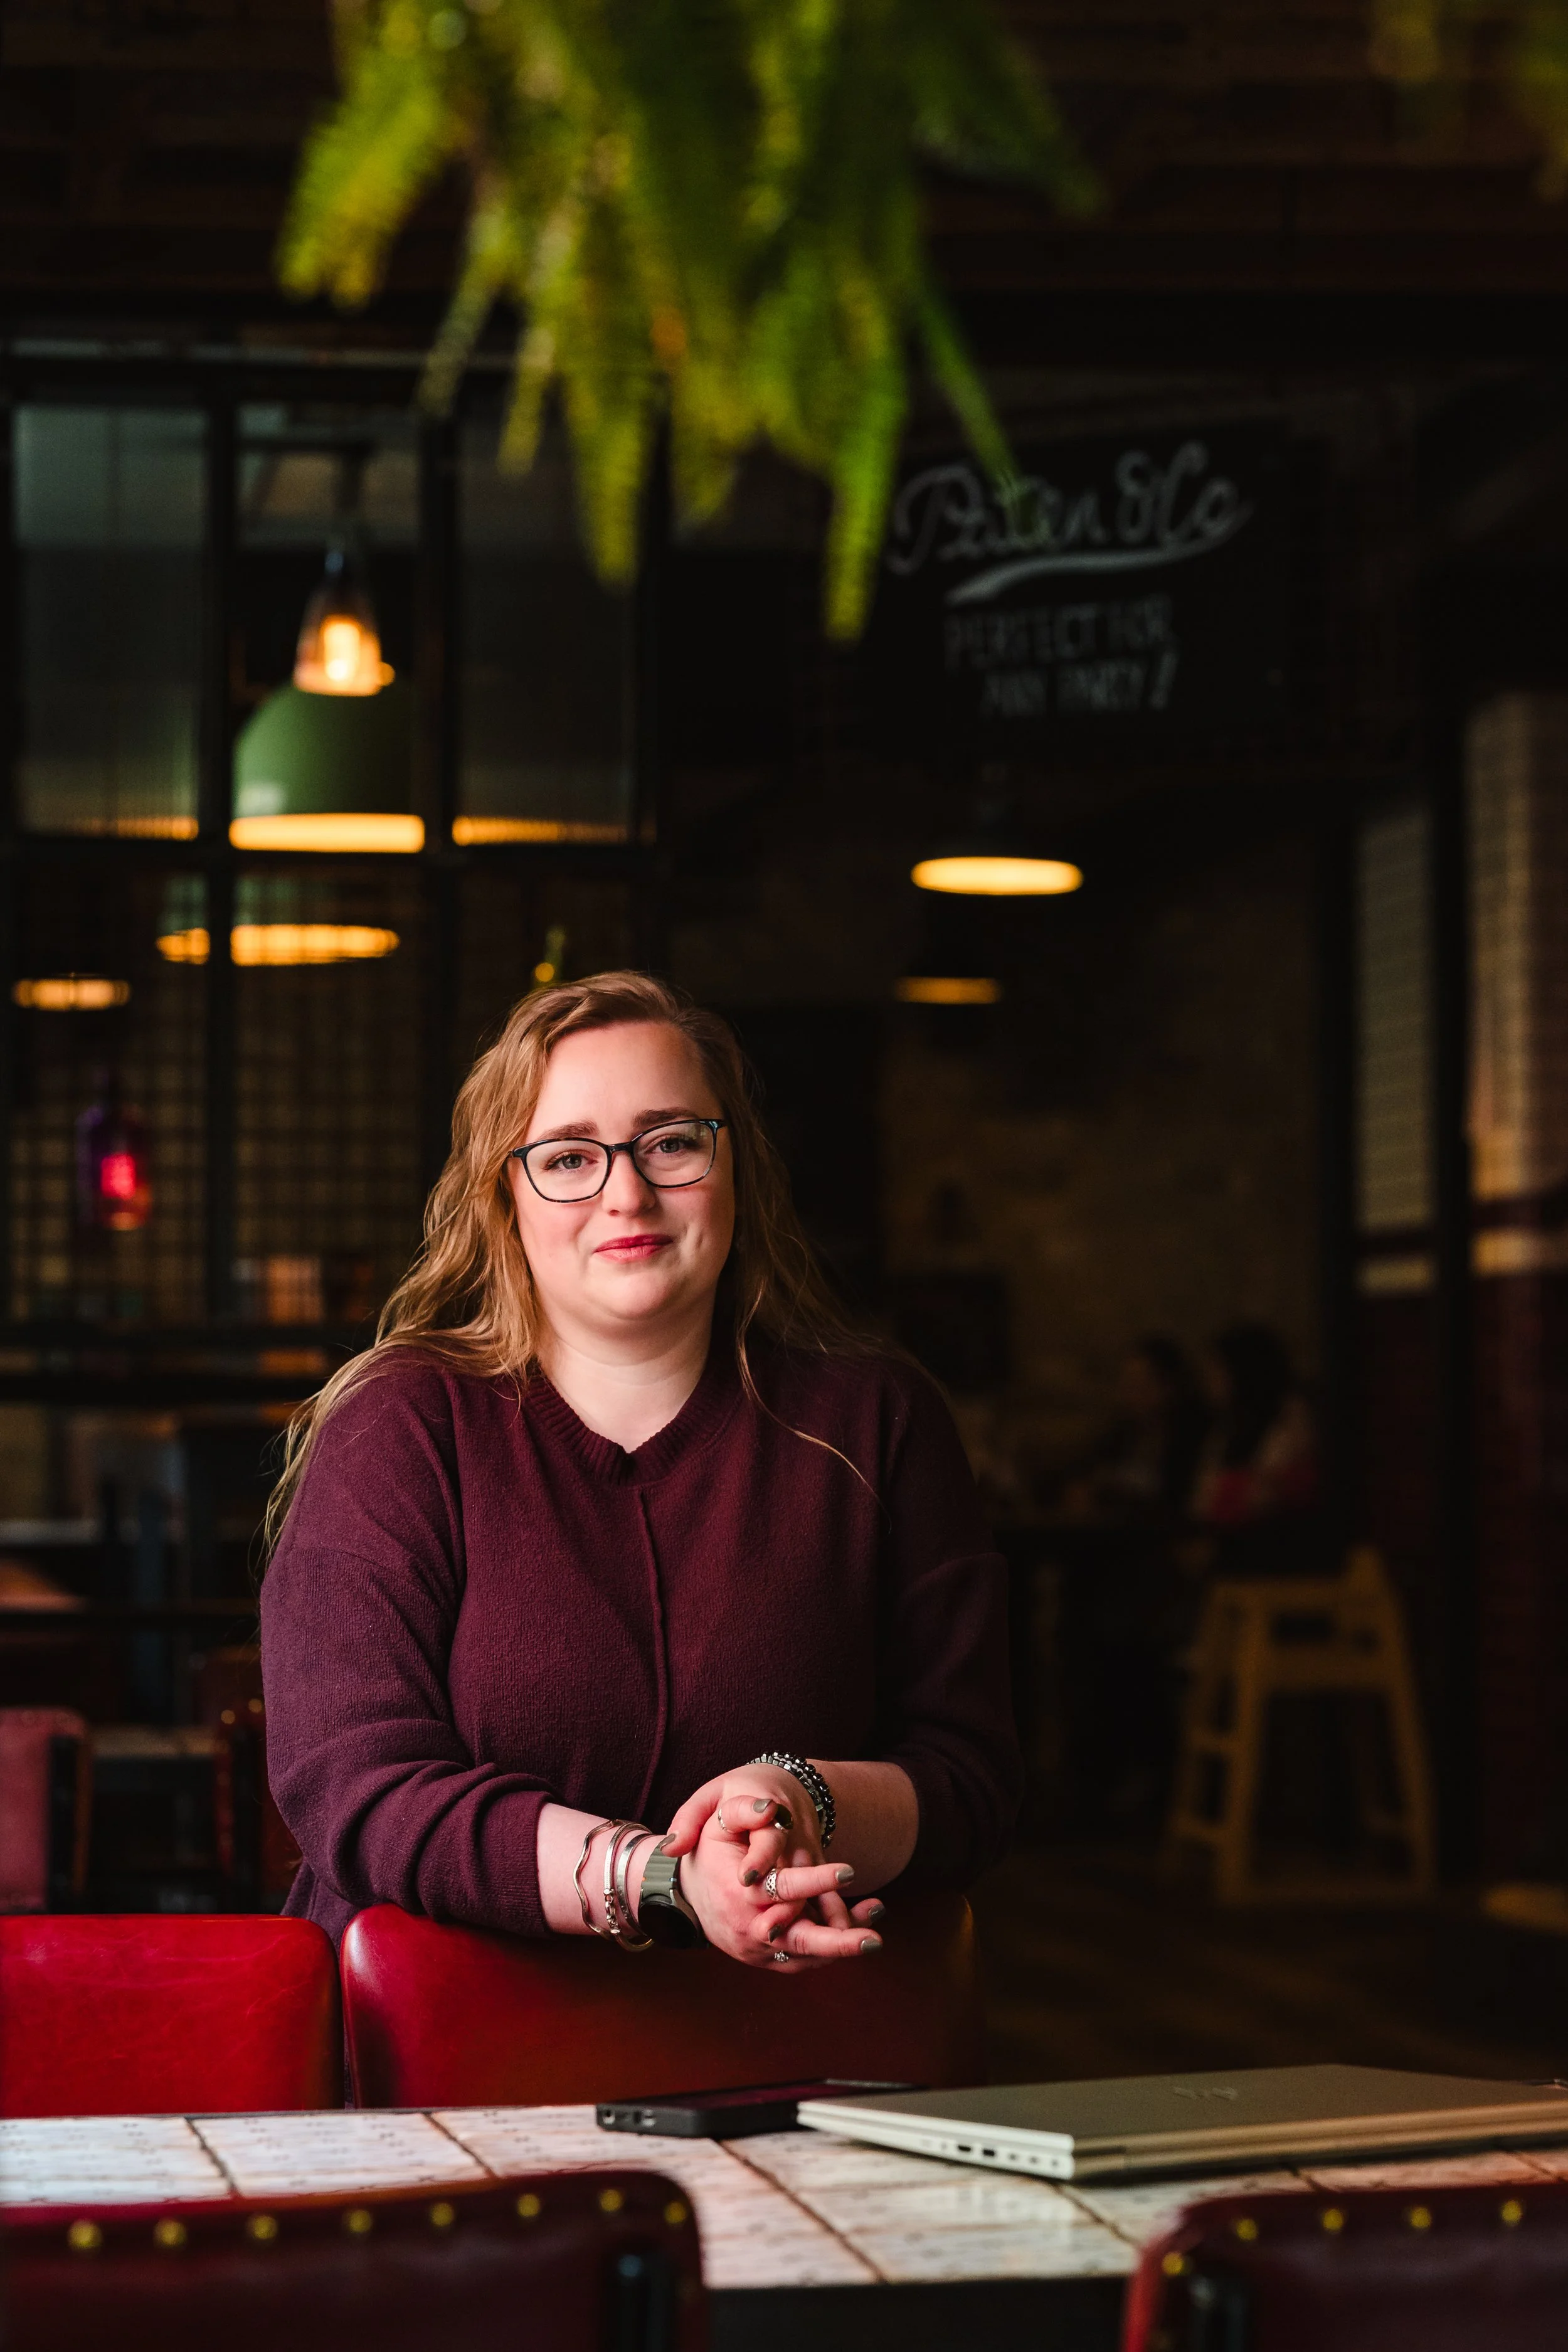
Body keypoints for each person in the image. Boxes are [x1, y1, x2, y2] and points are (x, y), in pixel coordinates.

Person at [260, 972, 1020, 1974]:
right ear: (506, 1197)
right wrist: (658, 1877)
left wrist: (798, 1799)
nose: (626, 1191)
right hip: (432, 2067)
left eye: (669, 1141)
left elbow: (975, 1776)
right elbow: (356, 1783)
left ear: (733, 1163)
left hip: (789, 2060)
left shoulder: (876, 1420)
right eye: (569, 1156)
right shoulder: (400, 1424)